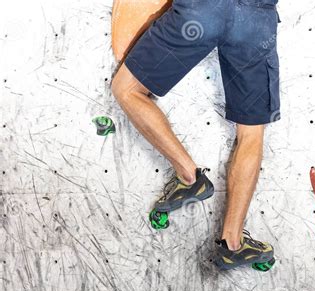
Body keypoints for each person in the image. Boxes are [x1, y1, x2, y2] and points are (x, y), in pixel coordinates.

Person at [112, 0, 280, 270]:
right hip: (255, 21)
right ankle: (232, 243)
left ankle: (189, 176)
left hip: (202, 10)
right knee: (251, 134)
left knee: (127, 89)